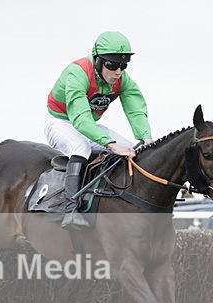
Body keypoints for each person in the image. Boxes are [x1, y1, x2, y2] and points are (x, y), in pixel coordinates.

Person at [45, 31, 153, 228]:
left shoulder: (123, 79)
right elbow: (79, 118)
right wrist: (110, 144)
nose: (118, 71)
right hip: (60, 123)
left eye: (123, 65)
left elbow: (135, 109)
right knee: (81, 148)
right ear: (97, 60)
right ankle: (70, 210)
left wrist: (145, 137)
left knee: (133, 149)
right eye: (112, 65)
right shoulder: (77, 72)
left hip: (88, 126)